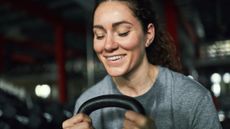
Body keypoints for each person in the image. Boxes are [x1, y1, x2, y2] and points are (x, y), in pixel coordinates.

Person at [62, 0, 222, 129]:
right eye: (99, 35)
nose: (108, 45)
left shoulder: (193, 99)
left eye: (123, 32)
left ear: (148, 35)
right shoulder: (87, 102)